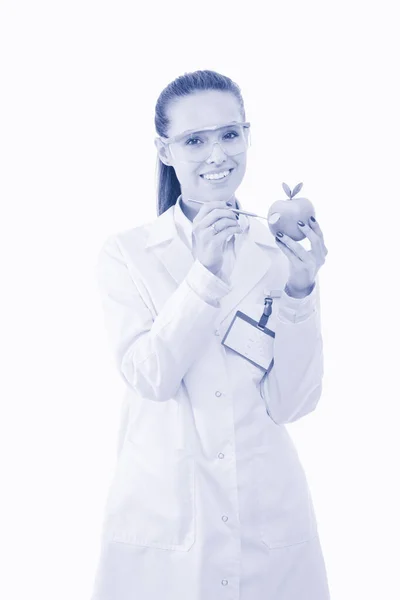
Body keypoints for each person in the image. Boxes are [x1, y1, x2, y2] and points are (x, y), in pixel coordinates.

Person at [91, 69, 330, 600]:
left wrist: (301, 292)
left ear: (248, 134)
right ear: (164, 149)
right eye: (194, 140)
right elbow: (150, 376)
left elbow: (293, 402)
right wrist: (205, 275)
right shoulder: (129, 253)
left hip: (267, 513)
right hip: (165, 515)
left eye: (229, 134)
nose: (216, 154)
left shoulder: (279, 250)